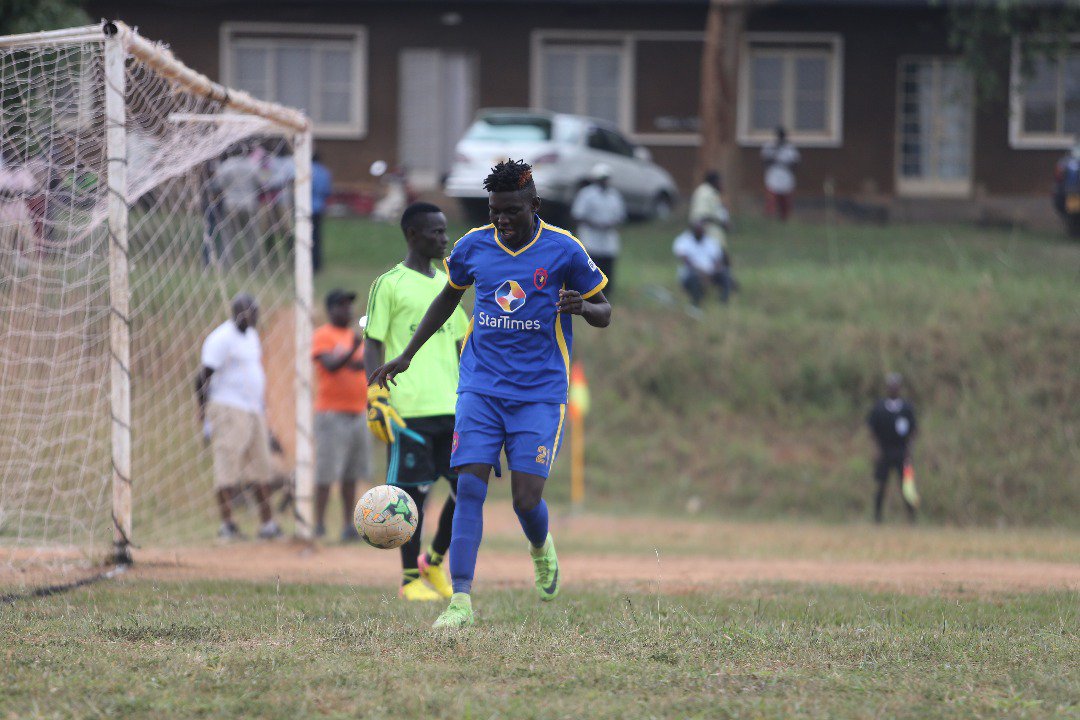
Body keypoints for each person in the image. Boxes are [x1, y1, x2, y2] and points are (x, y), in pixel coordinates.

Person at [370, 159, 612, 628]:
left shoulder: (564, 249)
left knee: (525, 498)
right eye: (494, 210)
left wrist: (582, 306)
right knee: (469, 487)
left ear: (534, 206)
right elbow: (448, 298)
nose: (501, 220)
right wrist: (408, 354)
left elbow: (606, 310)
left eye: (511, 212)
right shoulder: (472, 246)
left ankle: (540, 547)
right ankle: (460, 600)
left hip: (540, 392)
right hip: (480, 387)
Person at [363, 202, 469, 602]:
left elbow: (460, 346)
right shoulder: (388, 284)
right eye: (436, 232)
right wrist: (376, 394)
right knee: (411, 498)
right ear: (413, 235)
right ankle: (409, 580)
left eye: (445, 231)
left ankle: (434, 561)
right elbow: (372, 343)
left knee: (466, 490)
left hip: (453, 408)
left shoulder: (449, 285)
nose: (444, 239)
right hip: (408, 411)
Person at [195, 293, 282, 540]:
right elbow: (202, 377)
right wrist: (203, 413)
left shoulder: (252, 336)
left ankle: (268, 525)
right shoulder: (220, 339)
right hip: (228, 407)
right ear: (235, 313)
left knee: (261, 466)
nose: (251, 316)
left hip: (253, 410)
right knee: (228, 465)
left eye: (254, 312)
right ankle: (228, 525)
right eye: (246, 312)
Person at [311, 289, 369, 542]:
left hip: (357, 413)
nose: (348, 311)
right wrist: (353, 349)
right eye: (342, 306)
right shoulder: (323, 335)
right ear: (331, 309)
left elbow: (359, 365)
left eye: (349, 306)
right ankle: (318, 525)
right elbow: (331, 366)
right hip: (331, 414)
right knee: (325, 472)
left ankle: (348, 526)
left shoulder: (353, 337)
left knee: (351, 474)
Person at [867, 373, 918, 524]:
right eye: (891, 385)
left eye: (896, 385)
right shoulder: (879, 407)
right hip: (885, 451)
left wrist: (909, 448)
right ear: (887, 388)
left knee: (908, 486)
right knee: (881, 485)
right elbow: (872, 430)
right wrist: (877, 449)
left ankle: (912, 519)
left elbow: (914, 430)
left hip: (902, 452)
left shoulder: (907, 407)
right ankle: (877, 518)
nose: (893, 388)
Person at [571, 163, 626, 294]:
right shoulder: (586, 194)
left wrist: (611, 223)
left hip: (608, 239)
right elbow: (577, 215)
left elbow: (621, 215)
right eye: (601, 178)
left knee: (608, 266)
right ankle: (589, 291)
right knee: (592, 266)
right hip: (591, 237)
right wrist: (595, 224)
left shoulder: (614, 195)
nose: (604, 181)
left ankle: (607, 293)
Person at [212, 144, 265, 269]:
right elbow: (262, 183)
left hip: (231, 204)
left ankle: (226, 266)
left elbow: (218, 184)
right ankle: (254, 266)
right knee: (251, 237)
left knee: (228, 236)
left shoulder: (227, 165)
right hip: (249, 204)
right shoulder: (253, 166)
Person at [673, 221, 733, 306]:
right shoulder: (684, 241)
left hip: (709, 272)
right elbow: (686, 261)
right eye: (698, 231)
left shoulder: (710, 242)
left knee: (725, 274)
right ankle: (696, 301)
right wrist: (701, 272)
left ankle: (723, 301)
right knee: (693, 276)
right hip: (691, 272)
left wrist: (714, 271)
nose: (700, 233)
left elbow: (717, 260)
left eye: (701, 231)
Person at [761, 126, 800, 221]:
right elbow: (765, 161)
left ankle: (784, 219)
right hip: (773, 175)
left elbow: (795, 163)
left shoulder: (790, 148)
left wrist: (784, 163)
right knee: (771, 199)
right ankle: (770, 218)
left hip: (786, 176)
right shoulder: (769, 146)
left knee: (785, 201)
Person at [688, 170, 730, 246]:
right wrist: (720, 223)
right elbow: (700, 216)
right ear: (715, 181)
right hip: (708, 240)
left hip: (715, 240)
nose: (723, 184)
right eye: (721, 181)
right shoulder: (704, 193)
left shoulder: (713, 193)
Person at [311, 152, 333, 273]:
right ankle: (317, 264)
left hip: (306, 209)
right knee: (317, 237)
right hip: (319, 208)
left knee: (306, 238)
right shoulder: (325, 172)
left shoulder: (306, 171)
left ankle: (308, 264)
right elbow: (328, 191)